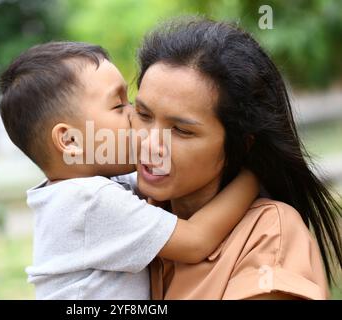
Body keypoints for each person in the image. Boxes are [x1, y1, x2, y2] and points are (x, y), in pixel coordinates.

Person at [0, 41, 259, 299]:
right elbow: (195, 241)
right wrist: (253, 174)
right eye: (119, 105)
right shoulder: (89, 200)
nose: (134, 114)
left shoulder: (79, 190)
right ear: (70, 141)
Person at [130, 17, 342, 299]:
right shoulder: (129, 210)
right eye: (143, 115)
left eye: (181, 130)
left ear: (240, 145)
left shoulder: (269, 235)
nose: (149, 144)